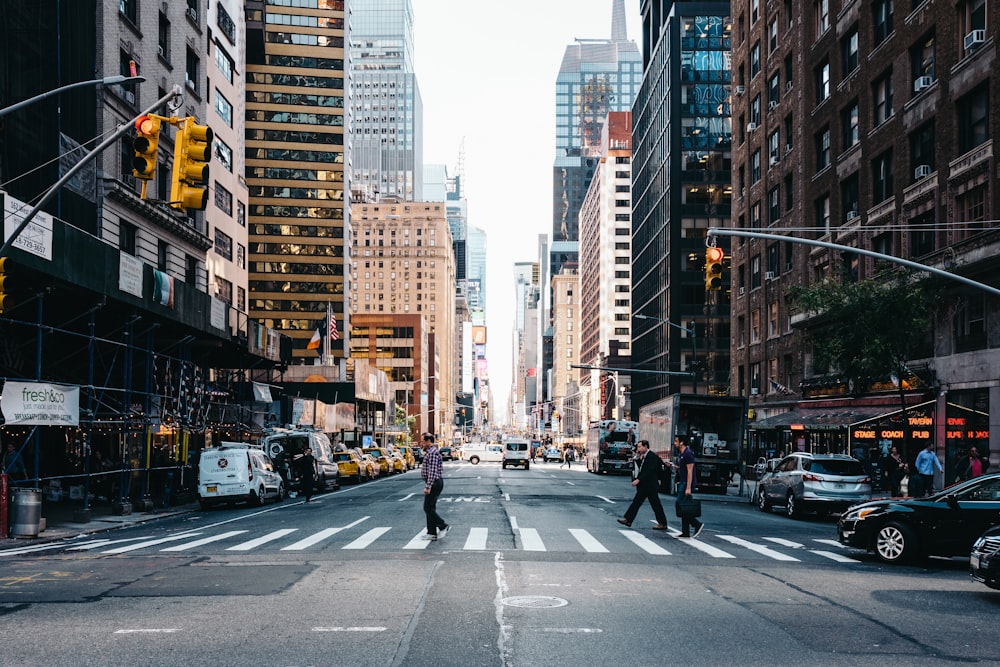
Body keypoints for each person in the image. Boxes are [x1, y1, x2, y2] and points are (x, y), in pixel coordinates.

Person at [617, 440, 669, 530]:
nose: (638, 449)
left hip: (651, 486)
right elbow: (641, 468)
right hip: (645, 486)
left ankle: (663, 523)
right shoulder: (644, 456)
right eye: (638, 447)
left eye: (640, 447)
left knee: (655, 505)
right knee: (636, 503)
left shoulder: (651, 456)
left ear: (646, 447)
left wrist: (638, 479)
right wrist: (637, 458)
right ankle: (628, 519)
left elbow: (649, 470)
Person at [420, 432, 449, 540]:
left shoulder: (432, 453)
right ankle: (431, 533)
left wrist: (428, 486)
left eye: (423, 441)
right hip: (435, 482)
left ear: (428, 441)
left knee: (427, 507)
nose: (421, 443)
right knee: (430, 507)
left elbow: (432, 471)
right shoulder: (430, 452)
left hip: (434, 482)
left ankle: (443, 525)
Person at [674, 435, 704, 538]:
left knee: (680, 504)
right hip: (682, 481)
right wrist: (674, 466)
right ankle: (685, 532)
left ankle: (696, 524)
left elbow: (690, 471)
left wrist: (688, 487)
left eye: (676, 441)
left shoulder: (688, 453)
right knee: (684, 506)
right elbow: (682, 467)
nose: (675, 443)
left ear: (682, 443)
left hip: (686, 483)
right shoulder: (681, 453)